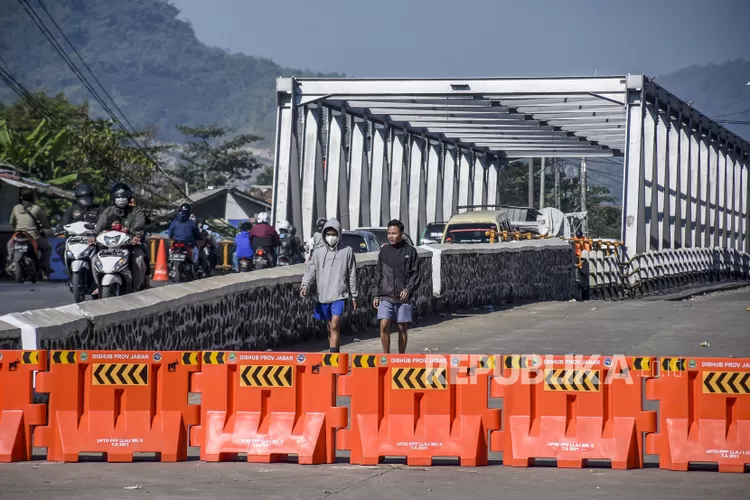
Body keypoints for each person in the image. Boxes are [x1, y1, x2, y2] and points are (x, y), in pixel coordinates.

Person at [300, 218, 359, 353]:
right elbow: (311, 271)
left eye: (334, 234)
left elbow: (352, 275)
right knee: (330, 327)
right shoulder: (318, 252)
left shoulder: (347, 251)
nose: (331, 237)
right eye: (328, 234)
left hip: (340, 295)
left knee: (334, 324)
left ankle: (333, 356)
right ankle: (334, 352)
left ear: (339, 234)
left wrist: (354, 295)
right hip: (323, 296)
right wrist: (305, 285)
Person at [373, 219, 420, 354]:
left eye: (394, 233)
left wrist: (408, 289)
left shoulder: (410, 251)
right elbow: (378, 273)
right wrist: (376, 294)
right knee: (384, 324)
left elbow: (415, 274)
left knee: (402, 327)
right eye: (389, 233)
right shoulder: (384, 251)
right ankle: (386, 356)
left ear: (402, 234)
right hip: (385, 295)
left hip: (402, 297)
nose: (391, 236)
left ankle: (401, 356)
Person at [95, 182, 149, 291]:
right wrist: (93, 236)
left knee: (138, 259)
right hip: (109, 248)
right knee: (93, 259)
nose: (121, 199)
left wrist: (137, 236)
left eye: (124, 196)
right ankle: (97, 286)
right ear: (113, 197)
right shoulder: (108, 211)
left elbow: (140, 226)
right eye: (118, 196)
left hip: (131, 246)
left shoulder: (136, 211)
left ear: (129, 197)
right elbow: (99, 227)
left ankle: (135, 287)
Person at [7, 188, 53, 277]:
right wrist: (46, 227)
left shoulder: (16, 208)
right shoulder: (36, 209)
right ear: (33, 198)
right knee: (48, 248)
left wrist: (16, 229)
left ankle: (10, 260)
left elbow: (11, 222)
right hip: (33, 236)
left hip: (18, 235)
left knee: (9, 245)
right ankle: (45, 266)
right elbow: (45, 224)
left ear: (21, 197)